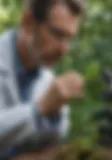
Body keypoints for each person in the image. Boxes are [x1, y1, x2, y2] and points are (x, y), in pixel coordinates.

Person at [0, 0, 85, 158]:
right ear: (28, 22)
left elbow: (56, 138)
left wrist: (55, 112)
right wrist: (40, 108)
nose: (64, 49)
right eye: (58, 34)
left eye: (69, 38)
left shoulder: (47, 78)